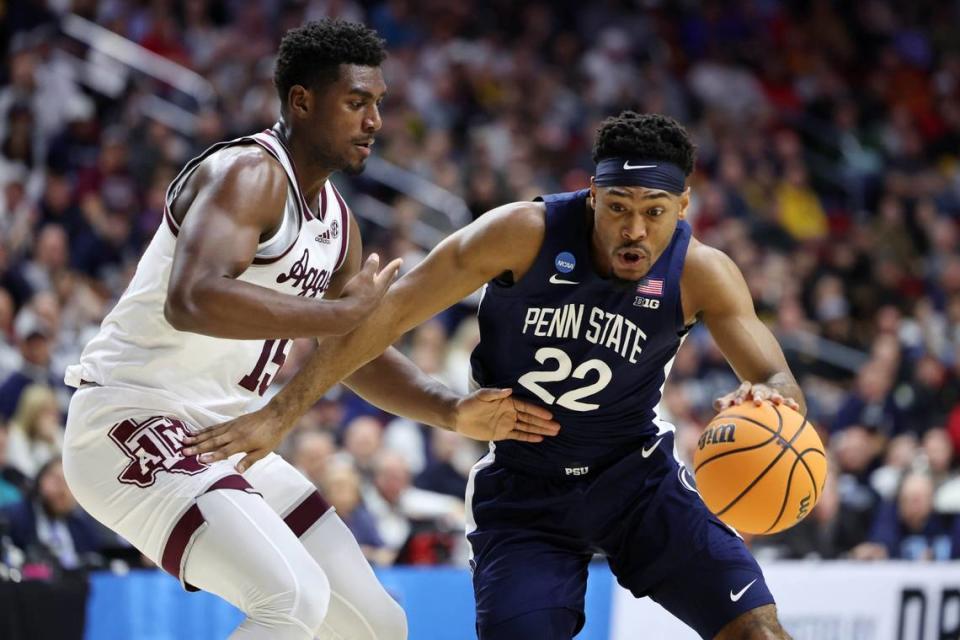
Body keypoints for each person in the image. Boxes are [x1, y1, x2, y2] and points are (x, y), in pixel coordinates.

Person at [187, 111, 805, 639]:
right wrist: (280, 413)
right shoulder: (522, 234)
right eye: (618, 207)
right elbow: (385, 318)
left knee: (758, 632)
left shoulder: (702, 272)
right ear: (592, 194)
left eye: (654, 211)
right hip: (524, 491)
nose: (634, 229)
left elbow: (777, 376)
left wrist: (769, 399)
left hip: (638, 480)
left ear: (684, 206)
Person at [61, 19, 556, 640]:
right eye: (356, 103)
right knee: (288, 600)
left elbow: (357, 352)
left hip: (223, 433)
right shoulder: (248, 174)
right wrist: (336, 315)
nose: (374, 120)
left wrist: (453, 411)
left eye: (377, 103)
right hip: (129, 418)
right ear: (301, 101)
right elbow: (193, 298)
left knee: (377, 625)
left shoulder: (337, 222)